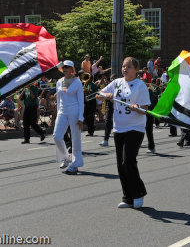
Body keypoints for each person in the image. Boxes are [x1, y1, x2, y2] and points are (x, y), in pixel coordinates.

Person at [97, 57, 151, 209]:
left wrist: (137, 107)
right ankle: (127, 197)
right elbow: (98, 94)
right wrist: (105, 95)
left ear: (136, 69)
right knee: (120, 165)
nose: (125, 69)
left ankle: (138, 193)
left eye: (128, 66)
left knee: (128, 161)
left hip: (135, 128)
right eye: (123, 66)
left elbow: (145, 109)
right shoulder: (117, 83)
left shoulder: (140, 86)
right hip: (119, 128)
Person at [53, 60, 84, 174]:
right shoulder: (59, 82)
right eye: (63, 67)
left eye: (67, 67)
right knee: (56, 136)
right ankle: (66, 157)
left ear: (72, 69)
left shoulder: (77, 82)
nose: (64, 69)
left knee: (75, 139)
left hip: (74, 112)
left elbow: (81, 102)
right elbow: (58, 99)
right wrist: (57, 115)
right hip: (62, 111)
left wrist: (81, 118)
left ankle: (75, 164)